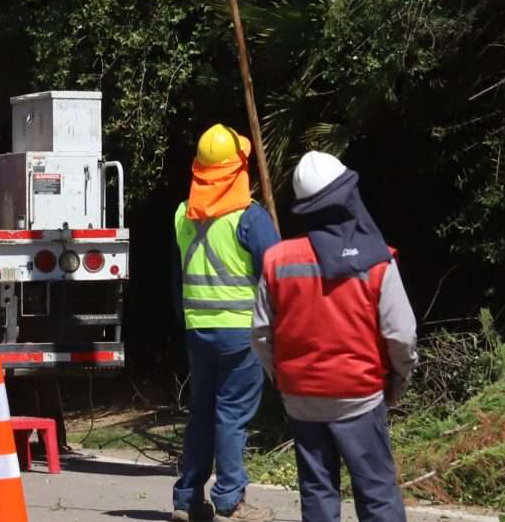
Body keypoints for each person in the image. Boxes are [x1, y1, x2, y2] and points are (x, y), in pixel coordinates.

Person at [252, 152, 417, 522]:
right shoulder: (377, 260)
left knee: (318, 493)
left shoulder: (278, 260)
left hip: (301, 400)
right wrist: (398, 383)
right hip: (358, 396)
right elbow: (401, 336)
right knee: (377, 493)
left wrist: (282, 379)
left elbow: (261, 334)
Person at [172, 124, 280, 522]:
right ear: (239, 170)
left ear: (200, 169)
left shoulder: (182, 214)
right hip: (241, 332)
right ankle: (229, 500)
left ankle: (186, 499)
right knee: (231, 415)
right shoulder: (250, 219)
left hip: (197, 329)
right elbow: (276, 271)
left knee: (202, 413)